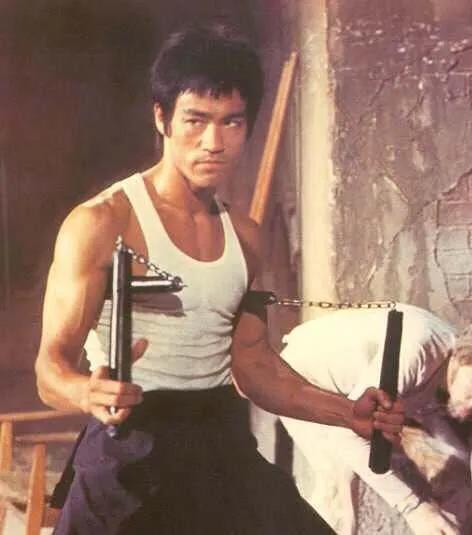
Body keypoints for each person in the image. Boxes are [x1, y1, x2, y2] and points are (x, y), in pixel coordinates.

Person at [34, 24, 404, 534]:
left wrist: (347, 414)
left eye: (232, 122)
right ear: (161, 117)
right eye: (196, 120)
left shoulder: (246, 238)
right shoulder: (102, 222)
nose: (213, 143)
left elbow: (253, 365)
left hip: (219, 443)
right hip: (130, 445)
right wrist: (86, 393)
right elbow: (50, 368)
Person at [278, 303, 472, 535]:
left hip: (354, 390)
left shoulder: (454, 372)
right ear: (464, 356)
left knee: (455, 468)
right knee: (338, 494)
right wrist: (414, 507)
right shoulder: (418, 353)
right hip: (301, 378)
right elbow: (346, 434)